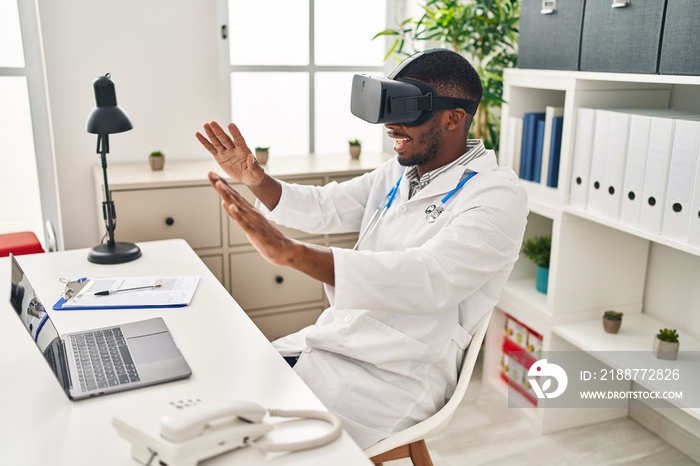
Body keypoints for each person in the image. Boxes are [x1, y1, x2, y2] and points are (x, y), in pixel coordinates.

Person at [196, 48, 528, 449]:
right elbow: (325, 206)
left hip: (397, 374)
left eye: (406, 111)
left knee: (254, 446)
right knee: (217, 400)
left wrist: (293, 254)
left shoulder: (497, 195)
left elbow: (429, 278)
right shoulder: (399, 172)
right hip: (340, 342)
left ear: (454, 118)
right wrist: (255, 180)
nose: (390, 126)